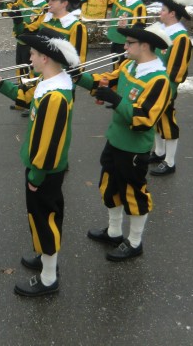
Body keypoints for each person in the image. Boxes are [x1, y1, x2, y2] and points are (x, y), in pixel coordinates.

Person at [0, 34, 79, 297]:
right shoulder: (46, 82)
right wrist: (0, 83)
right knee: (39, 218)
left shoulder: (56, 96)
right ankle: (46, 259)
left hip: (45, 170)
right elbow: (25, 96)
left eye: (34, 54)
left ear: (45, 58)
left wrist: (36, 176)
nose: (30, 58)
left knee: (45, 218)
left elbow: (50, 143)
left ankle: (49, 278)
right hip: (40, 167)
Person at [75, 24, 172, 260]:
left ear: (145, 46)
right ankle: (114, 232)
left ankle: (135, 242)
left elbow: (145, 119)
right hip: (115, 140)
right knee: (110, 187)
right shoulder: (129, 65)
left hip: (134, 148)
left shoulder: (159, 80)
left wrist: (116, 100)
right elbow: (103, 82)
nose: (125, 46)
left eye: (129, 43)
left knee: (134, 194)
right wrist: (77, 75)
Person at [150, 0, 193, 176]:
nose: (160, 12)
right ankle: (159, 152)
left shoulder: (180, 38)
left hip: (166, 87)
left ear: (172, 14)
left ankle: (170, 162)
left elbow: (177, 70)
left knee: (168, 121)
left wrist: (167, 88)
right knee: (156, 120)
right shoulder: (163, 32)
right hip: (155, 83)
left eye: (163, 9)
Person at [0, 0, 49, 79]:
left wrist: (18, 21)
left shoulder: (43, 7)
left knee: (30, 72)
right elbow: (10, 9)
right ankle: (21, 89)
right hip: (20, 42)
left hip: (31, 45)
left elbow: (33, 27)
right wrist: (0, 3)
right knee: (20, 70)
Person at [25, 0, 88, 66]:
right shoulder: (45, 17)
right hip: (41, 69)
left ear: (64, 4)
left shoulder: (76, 26)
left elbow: (78, 59)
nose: (49, 3)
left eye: (53, 0)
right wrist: (17, 21)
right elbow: (26, 31)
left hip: (60, 74)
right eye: (49, 0)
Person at [106, 0, 148, 68]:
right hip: (115, 40)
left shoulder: (138, 5)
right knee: (115, 68)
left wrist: (126, 28)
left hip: (125, 44)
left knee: (122, 69)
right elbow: (106, 6)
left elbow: (138, 30)